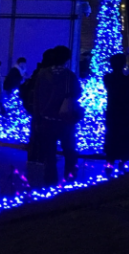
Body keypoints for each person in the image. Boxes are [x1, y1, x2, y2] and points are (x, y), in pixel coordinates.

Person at [31, 45, 82, 185]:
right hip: (65, 119)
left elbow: (36, 98)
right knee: (69, 150)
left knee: (49, 153)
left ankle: (50, 181)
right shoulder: (69, 76)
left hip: (47, 119)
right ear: (67, 59)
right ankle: (70, 179)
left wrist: (37, 119)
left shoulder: (42, 74)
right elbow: (77, 93)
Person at [103, 53, 129, 165]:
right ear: (124, 64)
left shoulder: (108, 78)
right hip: (126, 111)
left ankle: (110, 162)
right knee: (126, 135)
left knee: (112, 134)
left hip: (113, 111)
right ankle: (123, 162)